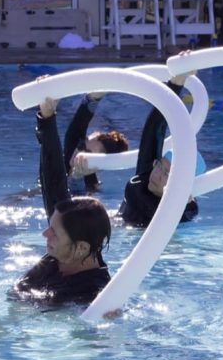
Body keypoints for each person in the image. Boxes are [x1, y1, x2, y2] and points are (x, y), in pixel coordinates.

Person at [10, 96, 112, 306]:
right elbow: (53, 183)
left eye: (53, 232)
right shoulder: (61, 256)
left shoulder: (94, 296)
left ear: (82, 249)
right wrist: (47, 118)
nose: (44, 234)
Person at [117, 71, 199, 228]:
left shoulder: (186, 211)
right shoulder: (139, 185)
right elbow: (153, 130)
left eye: (167, 173)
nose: (157, 173)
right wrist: (176, 83)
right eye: (159, 165)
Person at [61, 91, 129, 194]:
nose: (78, 155)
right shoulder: (71, 150)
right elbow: (80, 119)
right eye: (81, 145)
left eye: (87, 154)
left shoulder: (91, 185)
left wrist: (77, 177)